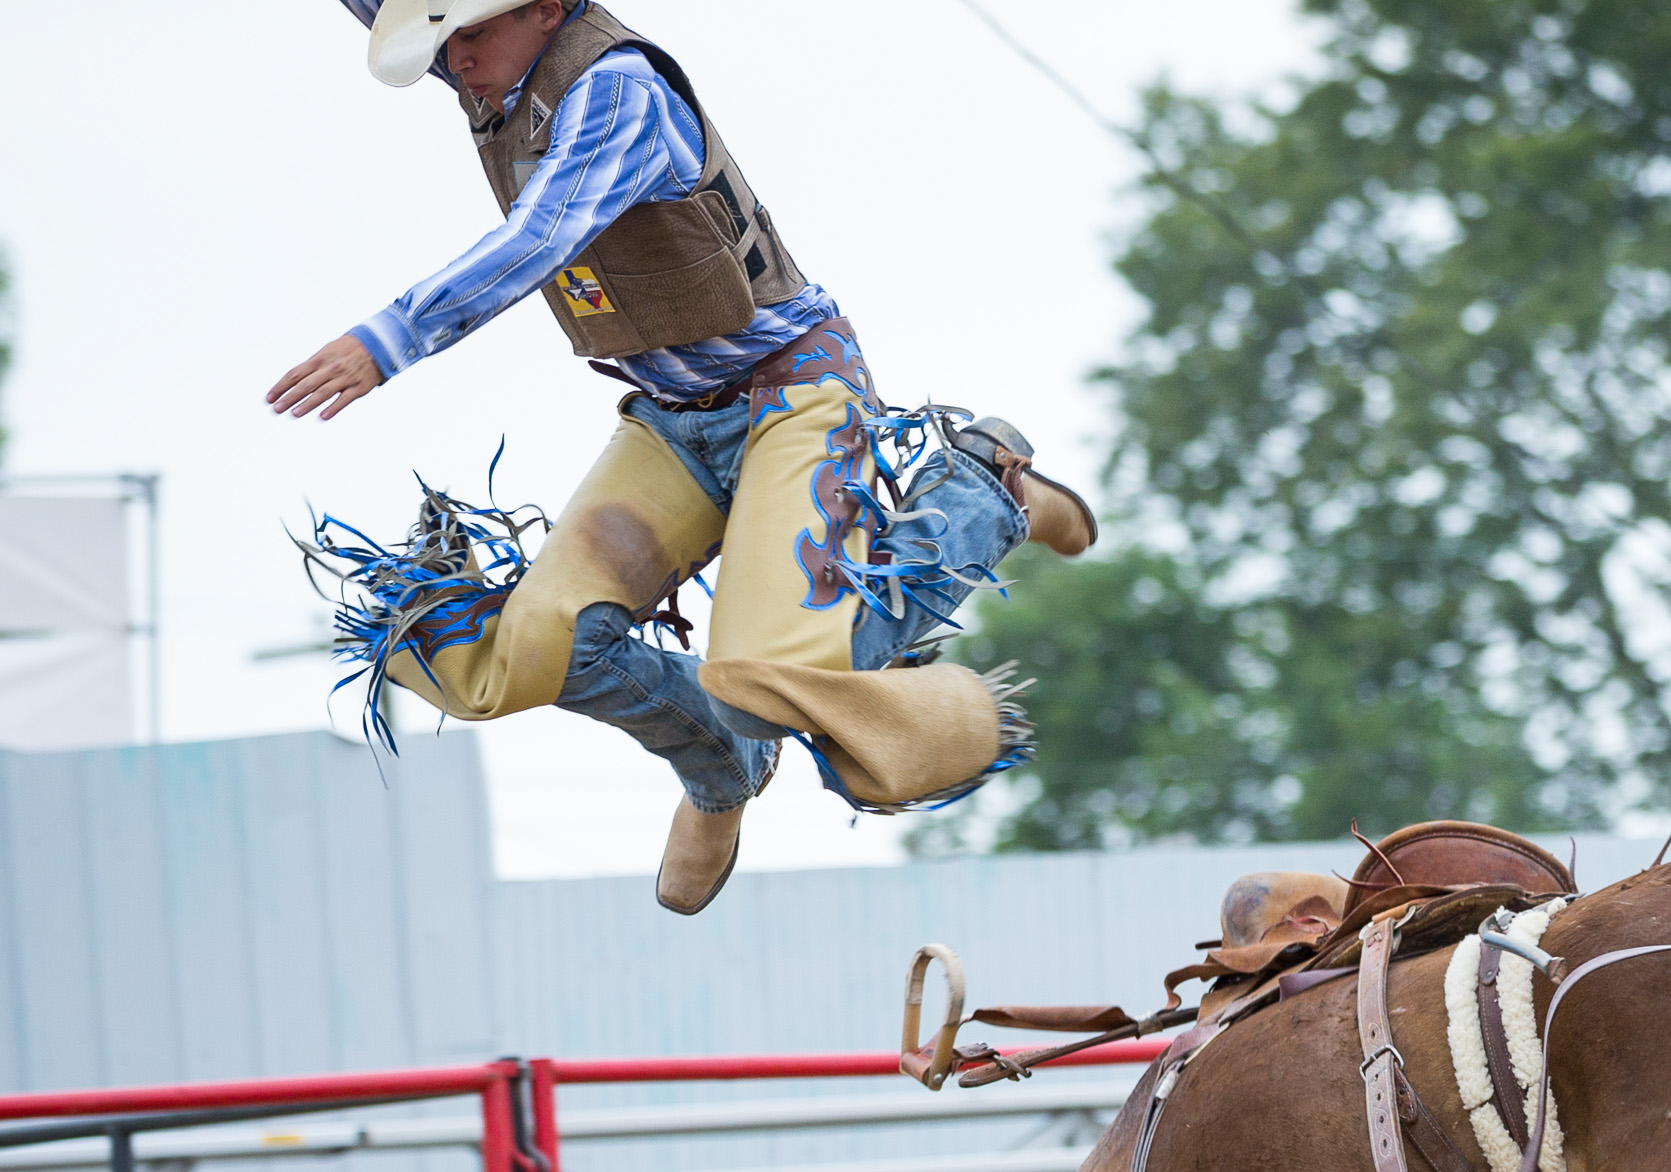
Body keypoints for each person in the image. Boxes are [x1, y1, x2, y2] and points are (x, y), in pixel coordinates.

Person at [272, 1, 1097, 914]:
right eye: (444, 43)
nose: (454, 63)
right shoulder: (495, 63)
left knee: (771, 676)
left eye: (469, 37)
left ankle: (984, 491)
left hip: (794, 396)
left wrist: (387, 340)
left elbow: (541, 236)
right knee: (531, 654)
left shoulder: (615, 90)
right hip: (673, 424)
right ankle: (724, 770)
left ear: (548, 7)